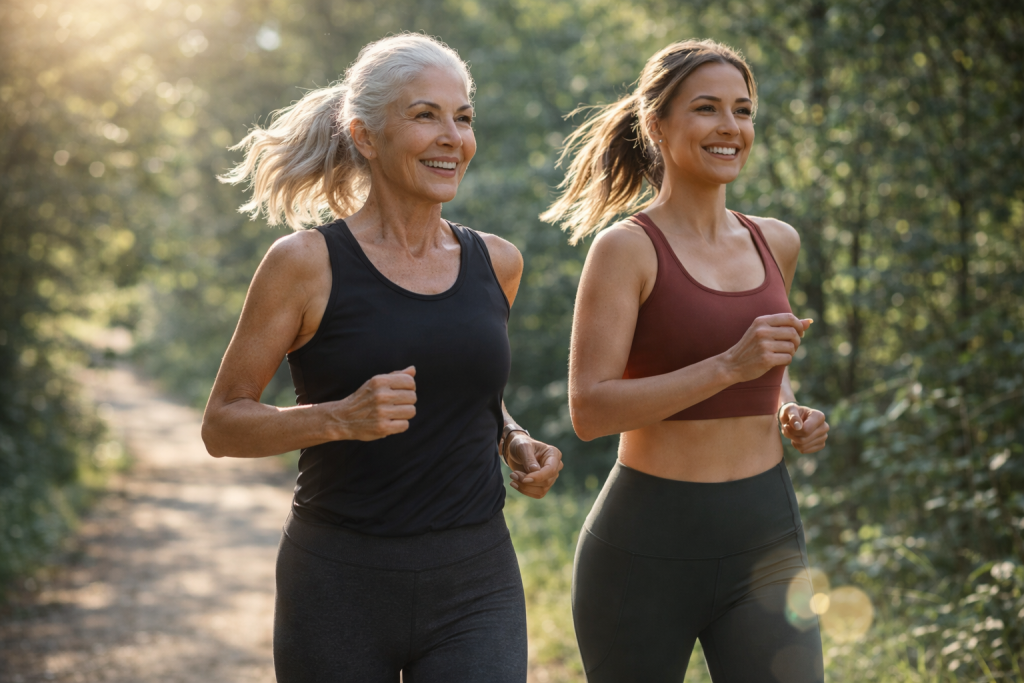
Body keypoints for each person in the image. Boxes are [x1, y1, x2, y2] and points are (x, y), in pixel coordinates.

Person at [202, 33, 563, 683]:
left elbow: (467, 389)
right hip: (338, 583)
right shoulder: (304, 264)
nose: (453, 137)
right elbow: (222, 425)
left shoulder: (498, 262)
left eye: (463, 118)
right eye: (426, 115)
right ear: (365, 136)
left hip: (476, 579)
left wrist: (512, 436)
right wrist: (338, 418)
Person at [541, 39, 829, 682]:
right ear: (657, 125)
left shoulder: (777, 241)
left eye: (742, 110)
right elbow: (590, 410)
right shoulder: (626, 249)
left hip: (765, 539)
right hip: (645, 548)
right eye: (706, 108)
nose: (730, 126)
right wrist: (729, 367)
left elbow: (768, 366)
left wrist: (789, 407)